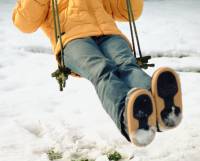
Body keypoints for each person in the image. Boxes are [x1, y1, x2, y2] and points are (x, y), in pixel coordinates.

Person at [12, 0, 182, 146]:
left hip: (109, 34)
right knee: (102, 70)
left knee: (127, 66)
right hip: (72, 39)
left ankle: (162, 109)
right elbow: (25, 23)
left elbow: (129, 11)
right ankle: (128, 118)